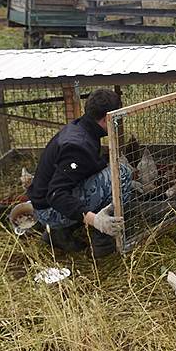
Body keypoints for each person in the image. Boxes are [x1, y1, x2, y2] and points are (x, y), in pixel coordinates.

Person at [27, 88, 132, 258]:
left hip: (44, 202)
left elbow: (85, 168)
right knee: (122, 174)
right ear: (107, 118)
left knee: (112, 171)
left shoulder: (82, 127)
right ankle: (102, 239)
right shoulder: (77, 146)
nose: (118, 122)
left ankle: (58, 234)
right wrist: (95, 220)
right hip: (49, 210)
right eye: (117, 117)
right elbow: (56, 194)